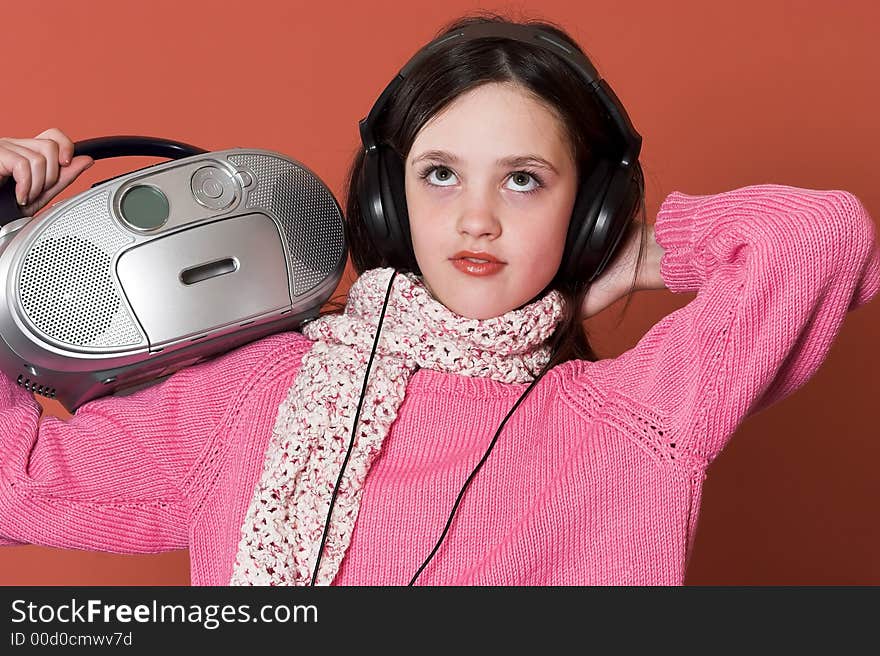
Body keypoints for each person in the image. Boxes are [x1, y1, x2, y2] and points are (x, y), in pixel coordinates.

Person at [0, 13, 878, 586]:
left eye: (526, 180)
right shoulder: (261, 390)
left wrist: (644, 248)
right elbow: (18, 479)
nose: (478, 219)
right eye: (441, 175)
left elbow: (824, 238)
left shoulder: (639, 414)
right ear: (389, 196)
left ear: (588, 209)